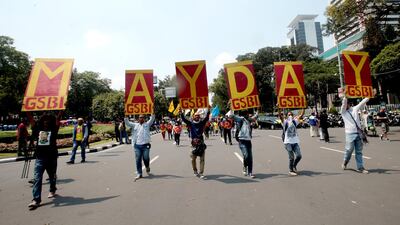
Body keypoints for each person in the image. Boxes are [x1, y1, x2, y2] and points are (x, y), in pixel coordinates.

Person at [28, 112, 62, 209]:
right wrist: (27, 110)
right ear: (42, 121)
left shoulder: (54, 129)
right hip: (40, 158)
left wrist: (61, 110)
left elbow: (58, 119)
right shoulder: (37, 129)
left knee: (52, 176)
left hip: (52, 157)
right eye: (44, 119)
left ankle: (52, 189)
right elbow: (31, 120)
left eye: (48, 120)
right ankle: (36, 199)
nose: (46, 121)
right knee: (37, 178)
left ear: (51, 121)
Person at [340, 90, 372, 174]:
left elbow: (363, 102)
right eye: (345, 104)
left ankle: (360, 167)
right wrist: (345, 96)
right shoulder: (343, 112)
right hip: (349, 134)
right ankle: (345, 162)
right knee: (349, 150)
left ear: (350, 104)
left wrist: (370, 94)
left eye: (347, 104)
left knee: (359, 151)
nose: (345, 105)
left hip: (358, 133)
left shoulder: (355, 109)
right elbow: (343, 103)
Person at [180, 109, 210, 179]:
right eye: (195, 116)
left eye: (198, 116)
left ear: (199, 117)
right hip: (193, 144)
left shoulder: (202, 123)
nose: (197, 117)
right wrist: (181, 113)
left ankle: (201, 173)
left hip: (201, 144)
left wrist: (208, 111)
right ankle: (195, 171)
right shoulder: (191, 123)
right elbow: (184, 119)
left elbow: (207, 118)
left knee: (202, 159)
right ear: (193, 117)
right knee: (193, 159)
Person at [125, 114, 155, 181]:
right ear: (138, 119)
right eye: (140, 117)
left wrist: (152, 113)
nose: (141, 118)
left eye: (142, 117)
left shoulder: (147, 124)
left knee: (146, 158)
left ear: (144, 118)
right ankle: (139, 173)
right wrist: (126, 116)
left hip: (145, 145)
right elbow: (127, 123)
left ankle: (147, 166)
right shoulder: (135, 125)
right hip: (137, 145)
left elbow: (152, 119)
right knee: (138, 160)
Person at [228, 110, 258, 178]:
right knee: (246, 155)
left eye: (248, 114)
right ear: (245, 114)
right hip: (242, 140)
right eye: (247, 114)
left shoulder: (250, 120)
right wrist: (231, 108)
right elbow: (231, 116)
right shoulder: (240, 119)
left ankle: (250, 172)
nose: (248, 115)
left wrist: (257, 110)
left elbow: (255, 117)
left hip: (248, 141)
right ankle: (245, 166)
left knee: (250, 157)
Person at [279, 108, 305, 176]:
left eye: (291, 114)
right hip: (288, 143)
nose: (290, 115)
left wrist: (303, 107)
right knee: (291, 157)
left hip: (295, 142)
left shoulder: (295, 121)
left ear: (293, 116)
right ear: (287, 116)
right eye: (289, 114)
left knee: (299, 156)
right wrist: (278, 108)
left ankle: (294, 165)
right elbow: (280, 117)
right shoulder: (285, 122)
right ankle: (291, 170)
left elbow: (301, 115)